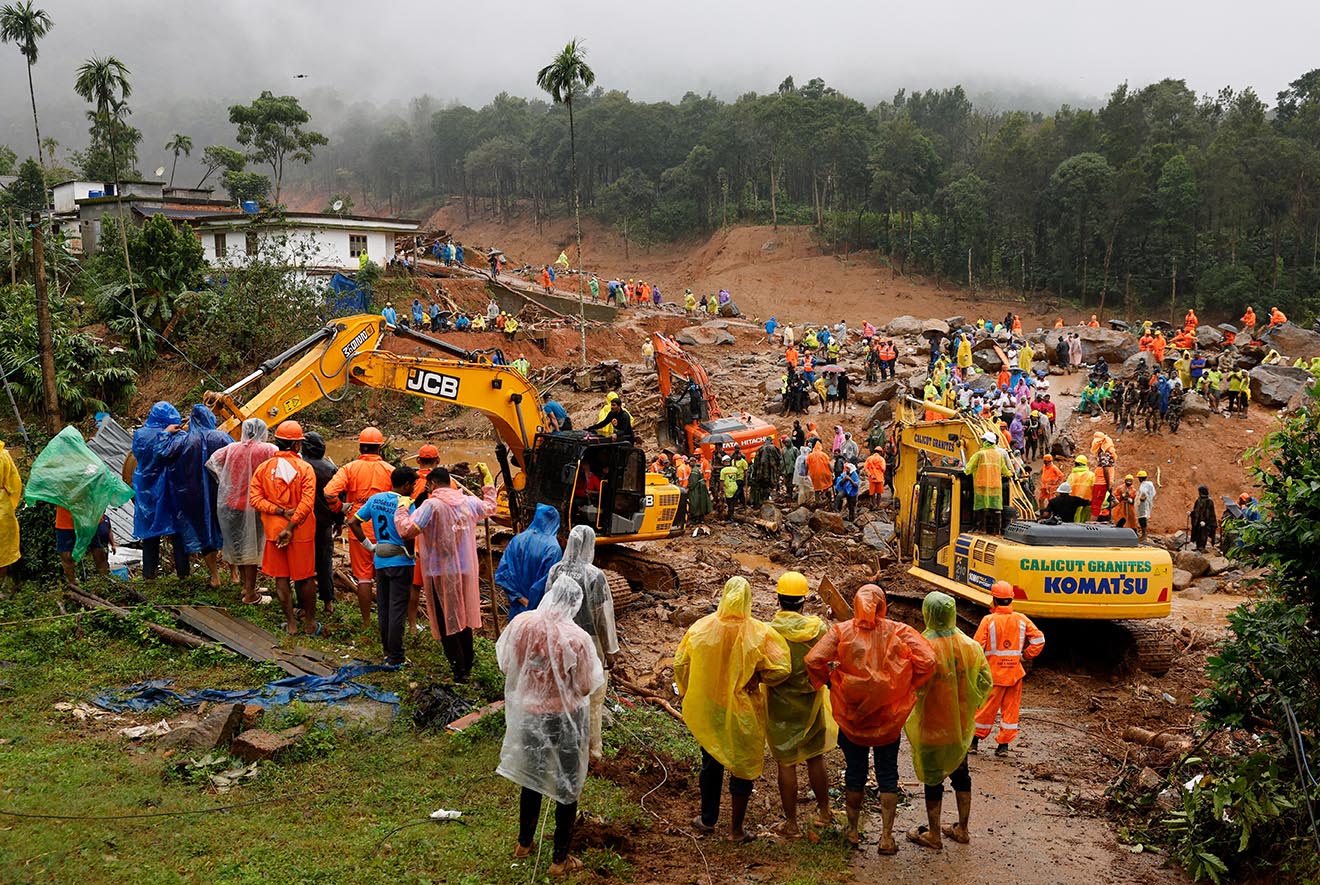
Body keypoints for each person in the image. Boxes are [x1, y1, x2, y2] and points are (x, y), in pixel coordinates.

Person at [805, 584, 936, 854]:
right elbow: (928, 659)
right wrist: (908, 684)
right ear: (882, 605)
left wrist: (830, 682)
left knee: (855, 774)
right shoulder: (899, 631)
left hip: (853, 719)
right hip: (888, 719)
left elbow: (814, 659)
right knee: (888, 775)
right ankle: (886, 838)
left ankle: (852, 831)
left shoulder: (841, 631)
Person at [498, 576, 604, 878]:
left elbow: (508, 665)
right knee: (566, 787)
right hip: (565, 720)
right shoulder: (577, 639)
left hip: (530, 714)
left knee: (532, 778)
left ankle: (524, 843)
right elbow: (585, 686)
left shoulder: (523, 625)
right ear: (575, 603)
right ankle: (559, 860)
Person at [674, 576, 791, 842]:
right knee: (742, 767)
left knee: (711, 761)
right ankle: (736, 830)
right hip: (744, 708)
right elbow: (782, 667)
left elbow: (680, 664)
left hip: (712, 705)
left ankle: (707, 819)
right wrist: (760, 677)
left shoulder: (701, 628)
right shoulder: (760, 632)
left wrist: (687, 691)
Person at [904, 591, 992, 850]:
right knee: (961, 774)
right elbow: (985, 682)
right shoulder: (971, 647)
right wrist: (968, 702)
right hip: (959, 726)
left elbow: (907, 683)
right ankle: (962, 829)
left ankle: (934, 834)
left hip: (931, 724)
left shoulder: (921, 646)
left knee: (933, 778)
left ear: (927, 613)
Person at [395, 463, 497, 681]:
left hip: (440, 572)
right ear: (451, 483)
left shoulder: (432, 506)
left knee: (447, 621)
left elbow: (406, 530)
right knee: (463, 617)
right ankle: (467, 665)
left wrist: (402, 508)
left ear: (431, 484)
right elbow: (490, 507)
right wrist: (487, 482)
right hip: (466, 570)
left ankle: (460, 672)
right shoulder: (468, 502)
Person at [766, 571, 837, 838]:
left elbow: (765, 667)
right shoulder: (817, 629)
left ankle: (791, 823)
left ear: (778, 600)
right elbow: (829, 660)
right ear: (803, 601)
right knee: (815, 756)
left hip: (780, 704)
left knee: (786, 762)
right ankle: (824, 811)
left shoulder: (770, 631)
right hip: (811, 700)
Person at [545, 524, 617, 762]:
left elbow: (547, 603)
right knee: (593, 697)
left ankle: (560, 739)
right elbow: (603, 616)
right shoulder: (595, 575)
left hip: (558, 636)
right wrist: (610, 651)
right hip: (589, 642)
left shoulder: (556, 570)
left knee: (562, 690)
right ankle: (593, 751)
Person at [249, 421, 319, 636]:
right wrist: (290, 526)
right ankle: (309, 623)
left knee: (281, 578)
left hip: (273, 533)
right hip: (301, 533)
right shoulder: (305, 468)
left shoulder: (263, 469)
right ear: (297, 446)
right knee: (306, 578)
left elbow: (255, 499)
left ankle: (291, 624)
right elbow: (307, 503)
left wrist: (278, 512)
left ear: (277, 443)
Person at [324, 427, 396, 629]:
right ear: (379, 447)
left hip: (359, 530)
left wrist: (341, 508)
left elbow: (329, 493)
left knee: (364, 578)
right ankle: (387, 622)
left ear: (360, 446)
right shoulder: (390, 470)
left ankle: (366, 622)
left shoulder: (350, 468)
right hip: (386, 531)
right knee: (386, 577)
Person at [348, 466, 418, 666]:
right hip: (400, 561)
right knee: (397, 607)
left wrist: (369, 545)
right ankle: (396, 656)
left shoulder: (375, 499)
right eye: (412, 485)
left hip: (380, 559)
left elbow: (353, 522)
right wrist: (411, 553)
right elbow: (408, 532)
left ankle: (387, 650)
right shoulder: (405, 504)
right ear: (405, 485)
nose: (413, 489)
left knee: (384, 607)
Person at [206, 418, 276, 604]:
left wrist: (226, 480)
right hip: (255, 504)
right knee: (252, 549)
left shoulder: (232, 448)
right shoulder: (268, 450)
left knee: (241, 546)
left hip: (232, 504)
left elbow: (211, 462)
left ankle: (247, 585)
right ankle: (250, 595)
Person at [972, 581, 1045, 756]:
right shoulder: (1021, 619)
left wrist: (978, 668)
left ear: (994, 599)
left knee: (984, 709)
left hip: (993, 674)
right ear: (1011, 599)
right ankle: (1003, 747)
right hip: (1014, 674)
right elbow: (1039, 640)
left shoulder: (988, 620)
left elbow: (976, 647)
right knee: (1010, 712)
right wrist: (1025, 656)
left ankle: (973, 742)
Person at [133, 402, 189, 580]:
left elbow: (136, 455)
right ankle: (184, 574)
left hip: (146, 489)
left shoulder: (140, 434)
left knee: (150, 534)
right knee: (178, 533)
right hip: (172, 490)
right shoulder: (177, 435)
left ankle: (149, 575)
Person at [495, 503, 563, 621]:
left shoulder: (517, 539)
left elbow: (502, 573)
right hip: (538, 613)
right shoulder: (553, 548)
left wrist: (519, 598)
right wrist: (531, 603)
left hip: (517, 609)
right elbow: (547, 583)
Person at [301, 431, 341, 614]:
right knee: (324, 563)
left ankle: (303, 604)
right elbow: (338, 497)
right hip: (324, 523)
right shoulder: (330, 468)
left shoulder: (298, 466)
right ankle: (328, 603)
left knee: (301, 564)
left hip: (300, 522)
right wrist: (339, 521)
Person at [964, 431, 1010, 534]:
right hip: (996, 486)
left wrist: (965, 471)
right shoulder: (999, 455)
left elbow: (968, 468)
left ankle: (981, 529)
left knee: (980, 507)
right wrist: (1009, 474)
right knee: (995, 508)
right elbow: (1004, 469)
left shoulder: (980, 454)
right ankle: (996, 531)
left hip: (981, 485)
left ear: (985, 442)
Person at [1190, 485, 1217, 552]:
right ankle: (1197, 546)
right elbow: (1196, 510)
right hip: (1198, 520)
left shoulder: (1209, 501)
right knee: (1197, 533)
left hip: (1205, 522)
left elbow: (1210, 513)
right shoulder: (1198, 500)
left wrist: (1205, 521)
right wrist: (1191, 513)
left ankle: (1202, 546)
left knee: (1203, 533)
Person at [1135, 469, 1157, 539]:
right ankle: (1144, 534)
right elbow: (1153, 493)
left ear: (1140, 478)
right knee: (1143, 518)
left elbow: (1143, 494)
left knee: (1142, 518)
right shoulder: (1150, 484)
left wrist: (1141, 499)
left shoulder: (1144, 485)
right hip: (1147, 503)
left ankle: (1144, 534)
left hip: (1143, 505)